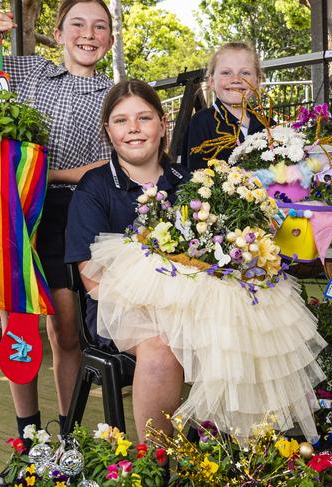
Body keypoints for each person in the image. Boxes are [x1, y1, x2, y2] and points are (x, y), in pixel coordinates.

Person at [0, 0, 114, 444]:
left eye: (100, 27)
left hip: (70, 211)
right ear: (57, 35)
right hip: (13, 209)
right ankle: (28, 435)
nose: (88, 33)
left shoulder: (115, 94)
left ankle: (67, 434)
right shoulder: (30, 72)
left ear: (110, 40)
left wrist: (48, 172)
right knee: (17, 323)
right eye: (77, 24)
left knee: (63, 328)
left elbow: (111, 164)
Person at [65, 79, 190, 439]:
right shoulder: (95, 186)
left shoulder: (188, 181)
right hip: (115, 306)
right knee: (162, 345)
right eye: (121, 121)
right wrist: (153, 310)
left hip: (192, 299)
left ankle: (237, 456)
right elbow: (91, 277)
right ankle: (158, 462)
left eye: (144, 118)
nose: (133, 129)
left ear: (163, 124)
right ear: (108, 130)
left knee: (238, 327)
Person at [182, 42, 266, 171]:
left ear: (258, 81)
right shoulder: (201, 123)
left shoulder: (268, 125)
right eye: (226, 73)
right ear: (211, 82)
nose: (236, 79)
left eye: (245, 73)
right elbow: (193, 181)